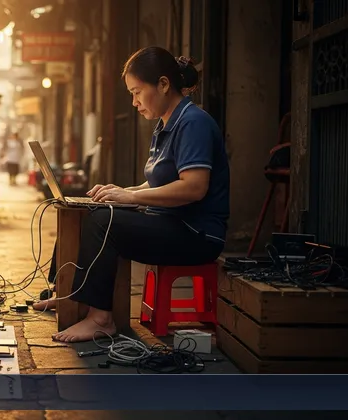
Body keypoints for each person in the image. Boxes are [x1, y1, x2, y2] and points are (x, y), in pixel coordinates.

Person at [34, 46, 230, 343]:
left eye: (137, 92)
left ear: (163, 84)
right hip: (171, 223)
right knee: (85, 209)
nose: (135, 102)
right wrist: (123, 192)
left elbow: (193, 186)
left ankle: (100, 318)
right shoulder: (165, 124)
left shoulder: (193, 123)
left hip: (196, 234)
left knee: (103, 222)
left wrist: (133, 199)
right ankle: (67, 294)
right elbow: (159, 183)